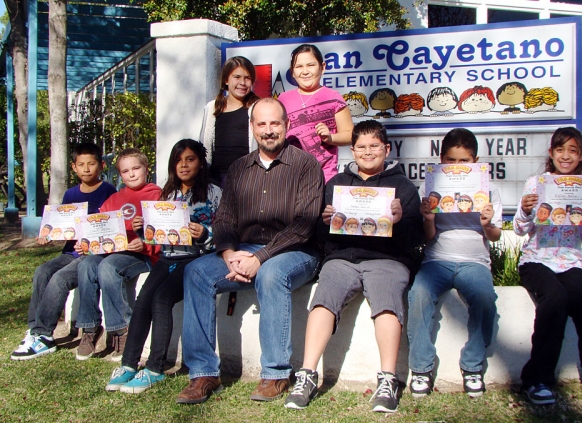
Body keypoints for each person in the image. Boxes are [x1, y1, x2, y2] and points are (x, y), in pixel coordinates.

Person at [175, 98, 323, 405]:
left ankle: (275, 373)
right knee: (197, 272)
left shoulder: (307, 166)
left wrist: (260, 258)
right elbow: (225, 218)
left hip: (298, 251)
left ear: (287, 125)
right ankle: (203, 372)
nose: (269, 131)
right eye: (262, 124)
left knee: (270, 274)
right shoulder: (240, 168)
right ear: (252, 128)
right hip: (245, 250)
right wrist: (228, 252)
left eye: (275, 124)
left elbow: (303, 226)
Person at [284, 120, 423, 413]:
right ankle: (307, 375)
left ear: (387, 149)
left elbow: (415, 238)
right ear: (352, 150)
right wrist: (325, 223)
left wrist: (398, 222)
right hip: (343, 259)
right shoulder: (336, 184)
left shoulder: (403, 186)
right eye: (361, 146)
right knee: (323, 300)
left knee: (386, 303)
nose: (368, 152)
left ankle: (388, 380)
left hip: (388, 260)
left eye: (375, 146)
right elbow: (322, 239)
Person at [514, 127, 582, 405]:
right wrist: (526, 210)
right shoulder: (536, 183)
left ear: (581, 156)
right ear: (551, 154)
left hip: (571, 260)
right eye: (560, 150)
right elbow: (519, 229)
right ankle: (537, 380)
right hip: (536, 259)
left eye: (572, 151)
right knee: (554, 298)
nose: (566, 156)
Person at [105, 139, 222, 394]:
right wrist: (141, 228)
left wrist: (205, 232)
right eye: (178, 160)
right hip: (167, 257)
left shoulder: (214, 192)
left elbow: (226, 230)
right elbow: (155, 235)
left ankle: (155, 368)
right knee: (143, 299)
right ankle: (128, 364)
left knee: (161, 299)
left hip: (196, 260)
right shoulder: (167, 194)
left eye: (190, 159)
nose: (183, 165)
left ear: (201, 163)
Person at [408, 128, 502, 398]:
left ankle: (472, 367)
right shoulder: (429, 187)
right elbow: (427, 238)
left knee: (485, 297)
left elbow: (495, 236)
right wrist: (428, 219)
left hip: (475, 262)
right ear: (441, 159)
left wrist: (487, 224)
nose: (458, 166)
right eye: (451, 160)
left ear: (476, 161)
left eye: (465, 161)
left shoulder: (489, 189)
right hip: (437, 261)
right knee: (419, 295)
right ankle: (421, 368)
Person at [10, 143, 117, 360]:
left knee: (60, 279)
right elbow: (64, 224)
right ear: (74, 167)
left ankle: (43, 335)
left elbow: (111, 227)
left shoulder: (108, 191)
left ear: (101, 165)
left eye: (91, 164)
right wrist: (48, 233)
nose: (86, 169)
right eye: (81, 165)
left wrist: (91, 241)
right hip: (70, 252)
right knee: (43, 271)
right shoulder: (70, 194)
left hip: (92, 254)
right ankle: (34, 330)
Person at [74, 148, 162, 362]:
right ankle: (90, 328)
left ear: (146, 169)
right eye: (125, 171)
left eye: (136, 168)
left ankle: (122, 331)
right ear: (119, 174)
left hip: (143, 256)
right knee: (86, 265)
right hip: (114, 252)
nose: (131, 174)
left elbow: (166, 233)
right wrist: (85, 242)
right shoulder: (114, 199)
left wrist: (143, 242)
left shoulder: (158, 194)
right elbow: (99, 228)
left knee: (108, 266)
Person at [278, 44, 354, 182]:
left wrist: (330, 138)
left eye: (311, 65)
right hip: (289, 177)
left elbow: (350, 135)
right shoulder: (282, 99)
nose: (305, 71)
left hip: (323, 177)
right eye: (299, 66)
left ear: (322, 67)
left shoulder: (333, 97)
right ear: (292, 72)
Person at [199, 56, 261, 188]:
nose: (242, 82)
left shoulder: (257, 107)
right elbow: (203, 145)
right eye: (237, 77)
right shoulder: (212, 108)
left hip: (247, 178)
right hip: (215, 179)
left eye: (247, 78)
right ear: (226, 80)